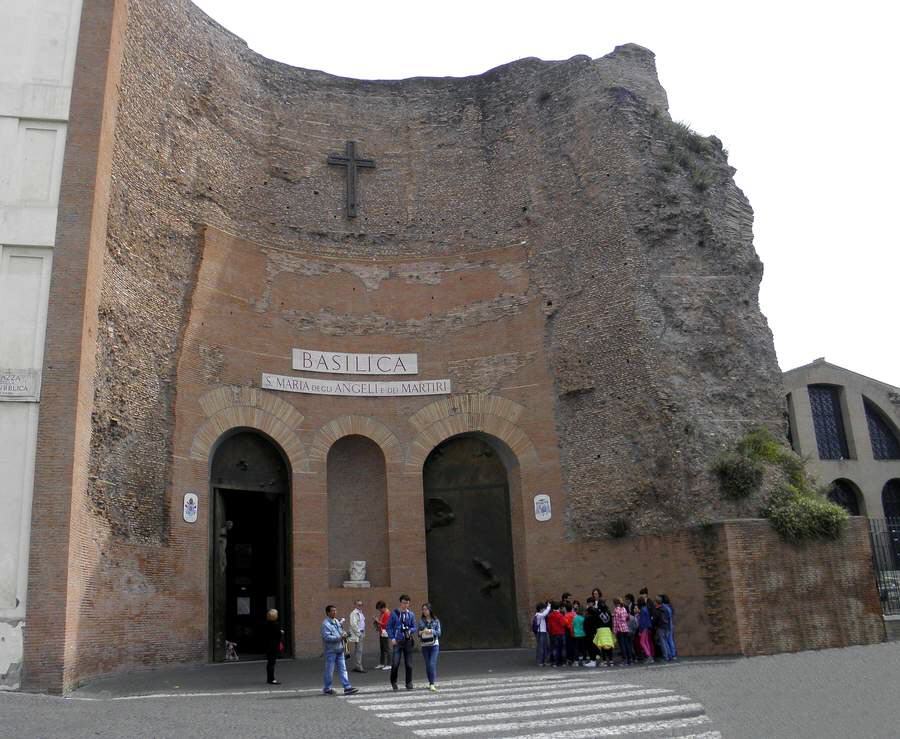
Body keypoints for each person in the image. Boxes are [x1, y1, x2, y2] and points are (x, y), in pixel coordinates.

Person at [321, 605, 358, 695]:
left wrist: (345, 634)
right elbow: (327, 637)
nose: (335, 612)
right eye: (332, 611)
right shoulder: (325, 624)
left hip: (340, 649)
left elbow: (340, 632)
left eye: (335, 611)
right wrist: (340, 637)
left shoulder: (336, 621)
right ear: (328, 612)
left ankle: (347, 687)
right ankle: (327, 688)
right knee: (329, 670)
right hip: (331, 651)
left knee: (343, 669)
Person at [387, 594, 418, 690]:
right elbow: (389, 627)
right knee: (395, 663)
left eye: (407, 603)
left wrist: (410, 630)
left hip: (408, 641)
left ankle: (409, 682)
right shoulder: (394, 614)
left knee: (409, 664)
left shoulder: (411, 614)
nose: (405, 605)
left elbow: (414, 627)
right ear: (400, 602)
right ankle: (393, 681)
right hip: (397, 641)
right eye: (404, 603)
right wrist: (392, 638)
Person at [418, 603, 442, 691]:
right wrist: (421, 632)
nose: (424, 611)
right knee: (428, 665)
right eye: (423, 609)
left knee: (432, 664)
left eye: (426, 609)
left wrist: (431, 631)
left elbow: (439, 633)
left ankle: (432, 684)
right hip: (424, 645)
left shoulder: (436, 620)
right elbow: (418, 633)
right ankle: (430, 682)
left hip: (434, 645)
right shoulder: (421, 621)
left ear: (430, 610)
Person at [264, 608, 284, 685]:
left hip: (268, 645)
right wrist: (281, 632)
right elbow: (278, 635)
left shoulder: (266, 624)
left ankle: (269, 678)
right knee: (272, 663)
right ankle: (271, 679)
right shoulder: (276, 624)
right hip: (274, 645)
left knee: (269, 662)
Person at [613, 598, 634, 666]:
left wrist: (614, 631)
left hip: (620, 630)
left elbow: (615, 621)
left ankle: (625, 660)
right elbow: (627, 618)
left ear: (615, 603)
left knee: (622, 646)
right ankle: (630, 659)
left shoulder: (616, 610)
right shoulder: (624, 609)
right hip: (625, 629)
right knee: (627, 644)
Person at [594, 599, 615, 666]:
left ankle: (605, 661)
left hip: (601, 630)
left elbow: (596, 622)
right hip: (608, 630)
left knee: (602, 646)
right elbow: (611, 621)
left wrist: (596, 630)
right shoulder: (608, 611)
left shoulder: (597, 612)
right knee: (609, 646)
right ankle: (611, 660)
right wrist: (611, 630)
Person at [546, 601, 567, 667]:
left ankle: (555, 662)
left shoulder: (550, 615)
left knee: (555, 648)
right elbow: (563, 624)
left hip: (553, 633)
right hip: (561, 633)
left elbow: (549, 626)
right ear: (558, 608)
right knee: (562, 648)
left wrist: (550, 632)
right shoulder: (560, 615)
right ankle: (563, 662)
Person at [348, 599, 366, 673]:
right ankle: (359, 666)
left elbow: (361, 622)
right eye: (358, 605)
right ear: (355, 605)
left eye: (361, 605)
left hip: (361, 632)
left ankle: (357, 665)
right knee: (359, 650)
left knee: (358, 650)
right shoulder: (354, 613)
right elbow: (353, 624)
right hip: (358, 633)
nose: (360, 606)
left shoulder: (360, 613)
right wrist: (359, 633)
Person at [653, 597, 672, 662]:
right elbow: (669, 618)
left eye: (654, 602)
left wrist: (654, 624)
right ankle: (669, 655)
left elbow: (655, 620)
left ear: (657, 602)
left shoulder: (657, 610)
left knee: (663, 642)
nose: (654, 603)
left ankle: (665, 657)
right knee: (666, 641)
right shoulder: (666, 609)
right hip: (667, 627)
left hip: (661, 627)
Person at [373, 600, 391, 669]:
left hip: (385, 632)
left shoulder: (387, 613)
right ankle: (382, 663)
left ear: (383, 607)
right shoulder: (382, 613)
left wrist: (378, 621)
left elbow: (386, 625)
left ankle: (389, 664)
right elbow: (381, 622)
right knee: (382, 649)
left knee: (386, 649)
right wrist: (377, 623)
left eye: (380, 609)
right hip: (382, 632)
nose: (379, 610)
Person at [533, 601, 551, 666]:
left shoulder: (540, 615)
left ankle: (545, 661)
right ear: (540, 609)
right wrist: (549, 606)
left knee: (546, 647)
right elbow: (544, 614)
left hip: (544, 632)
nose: (544, 610)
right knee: (541, 648)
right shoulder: (538, 615)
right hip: (540, 633)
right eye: (544, 608)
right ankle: (540, 662)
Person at [582, 598, 599, 667]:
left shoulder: (590, 616)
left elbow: (587, 624)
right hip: (590, 632)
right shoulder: (592, 615)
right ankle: (593, 660)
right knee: (591, 646)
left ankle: (593, 661)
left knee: (591, 646)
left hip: (590, 633)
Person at [637, 597, 654, 663]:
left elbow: (642, 622)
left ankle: (648, 656)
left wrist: (640, 631)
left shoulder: (642, 610)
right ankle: (650, 656)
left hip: (643, 628)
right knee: (646, 642)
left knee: (642, 642)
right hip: (647, 627)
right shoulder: (646, 609)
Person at [660, 594, 677, 660]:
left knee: (666, 640)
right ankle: (673, 654)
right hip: (671, 625)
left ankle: (669, 654)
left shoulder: (664, 607)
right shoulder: (670, 606)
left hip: (667, 626)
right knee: (671, 640)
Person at [572, 601, 587, 666]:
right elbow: (585, 627)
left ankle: (576, 661)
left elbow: (572, 626)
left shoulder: (575, 618)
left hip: (576, 635)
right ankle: (584, 660)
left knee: (576, 649)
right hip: (583, 635)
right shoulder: (583, 618)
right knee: (583, 648)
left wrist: (573, 633)